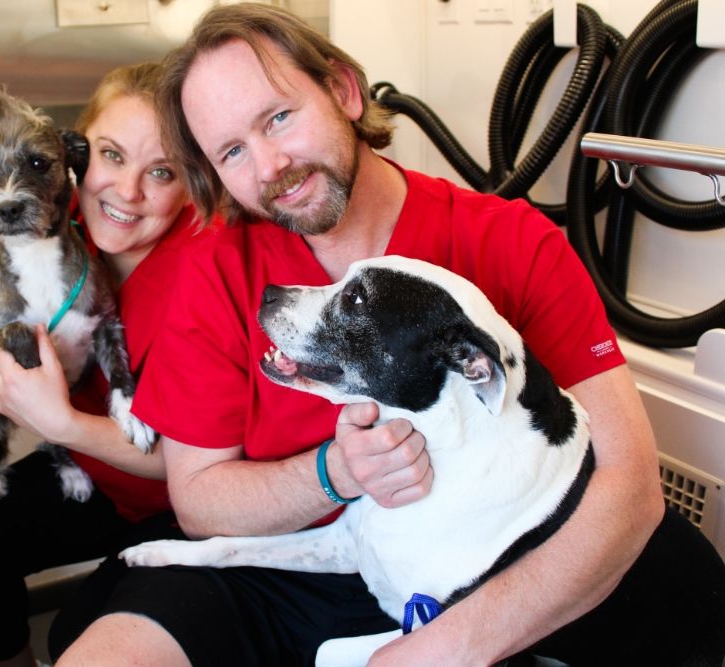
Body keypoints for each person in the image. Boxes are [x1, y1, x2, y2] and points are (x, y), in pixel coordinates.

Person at [56, 4, 725, 666]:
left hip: (473, 574)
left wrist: (445, 647)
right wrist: (336, 472)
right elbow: (200, 499)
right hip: (284, 563)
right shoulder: (217, 272)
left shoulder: (511, 244)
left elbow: (631, 489)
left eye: (278, 117)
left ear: (344, 89)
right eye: (232, 150)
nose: (269, 166)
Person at [0, 61, 210, 667]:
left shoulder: (204, 267)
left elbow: (192, 465)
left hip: (178, 499)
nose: (126, 192)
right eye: (111, 155)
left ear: (194, 179)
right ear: (76, 158)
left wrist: (59, 424)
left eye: (160, 171)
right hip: (91, 470)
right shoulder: (52, 220)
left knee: (74, 637)